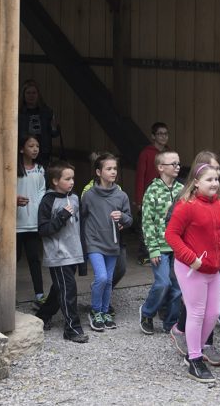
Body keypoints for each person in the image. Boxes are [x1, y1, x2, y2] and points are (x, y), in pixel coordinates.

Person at [165, 160, 220, 384]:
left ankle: (193, 351)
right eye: (209, 179)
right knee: (196, 312)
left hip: (212, 269)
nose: (214, 183)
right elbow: (171, 236)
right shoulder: (186, 205)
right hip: (190, 269)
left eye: (217, 179)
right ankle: (194, 359)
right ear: (196, 182)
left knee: (213, 313)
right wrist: (190, 259)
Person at [35, 163, 89, 343]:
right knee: (68, 290)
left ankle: (43, 316)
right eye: (67, 179)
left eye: (73, 178)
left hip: (74, 252)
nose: (72, 182)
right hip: (58, 255)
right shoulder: (48, 200)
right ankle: (72, 329)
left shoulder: (74, 197)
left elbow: (78, 228)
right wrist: (61, 217)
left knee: (60, 288)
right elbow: (43, 229)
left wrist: (83, 253)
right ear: (55, 181)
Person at [81, 152, 132, 332]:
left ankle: (104, 311)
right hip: (94, 242)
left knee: (109, 280)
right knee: (101, 277)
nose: (113, 172)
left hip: (113, 243)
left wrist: (123, 217)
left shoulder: (121, 195)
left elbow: (130, 220)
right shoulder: (89, 195)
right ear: (98, 172)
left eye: (115, 169)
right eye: (108, 169)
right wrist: (83, 243)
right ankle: (95, 311)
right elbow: (83, 217)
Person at [139, 150, 183, 335]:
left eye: (178, 163)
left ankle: (171, 322)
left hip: (179, 247)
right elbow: (147, 221)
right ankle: (147, 312)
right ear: (160, 168)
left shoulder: (182, 189)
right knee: (163, 282)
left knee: (178, 287)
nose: (177, 167)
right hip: (161, 246)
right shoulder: (153, 190)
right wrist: (153, 249)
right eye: (173, 164)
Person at [16, 135, 46, 303]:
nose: (35, 149)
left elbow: (42, 190)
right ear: (21, 149)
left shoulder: (40, 169)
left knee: (34, 258)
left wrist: (40, 209)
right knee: (13, 259)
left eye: (37, 145)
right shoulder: (12, 168)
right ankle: (7, 294)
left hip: (33, 223)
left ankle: (39, 294)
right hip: (15, 222)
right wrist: (14, 199)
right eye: (30, 146)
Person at [135, 122, 170, 264]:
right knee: (147, 224)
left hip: (164, 195)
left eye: (165, 133)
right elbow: (140, 177)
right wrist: (139, 200)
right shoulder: (146, 153)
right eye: (160, 133)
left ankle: (161, 253)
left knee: (161, 225)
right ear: (153, 136)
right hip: (149, 195)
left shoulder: (168, 153)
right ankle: (144, 256)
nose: (163, 136)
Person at [18, 79, 59, 168]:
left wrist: (54, 126)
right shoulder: (19, 113)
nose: (31, 96)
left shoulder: (47, 112)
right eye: (28, 93)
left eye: (34, 93)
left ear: (38, 94)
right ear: (23, 95)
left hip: (43, 152)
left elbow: (54, 133)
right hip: (24, 152)